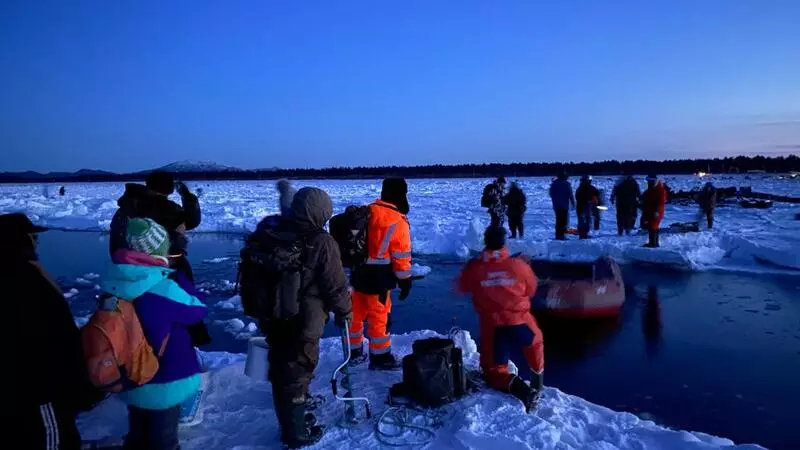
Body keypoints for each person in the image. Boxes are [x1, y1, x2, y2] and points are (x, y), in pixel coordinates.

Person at [252, 187, 352, 448]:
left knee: (282, 364)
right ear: (319, 213)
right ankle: (296, 433)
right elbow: (335, 285)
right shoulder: (321, 241)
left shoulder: (274, 231)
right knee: (297, 368)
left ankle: (296, 406)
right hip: (304, 319)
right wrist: (345, 311)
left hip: (274, 316)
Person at [103, 218, 208, 450]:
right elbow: (198, 310)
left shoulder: (113, 281)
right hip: (164, 378)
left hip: (130, 376)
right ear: (159, 250)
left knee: (138, 432)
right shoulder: (165, 287)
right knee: (163, 439)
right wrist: (180, 278)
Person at [3, 213, 101, 450]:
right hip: (39, 390)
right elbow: (56, 336)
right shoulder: (24, 279)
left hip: (23, 388)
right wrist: (78, 384)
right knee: (54, 440)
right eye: (33, 236)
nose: (37, 241)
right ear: (20, 240)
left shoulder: (16, 272)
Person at [457, 226, 544, 413]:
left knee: (495, 372)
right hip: (521, 323)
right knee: (535, 344)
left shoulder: (475, 268)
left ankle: (524, 391)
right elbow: (532, 289)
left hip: (494, 328)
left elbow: (461, 287)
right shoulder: (519, 266)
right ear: (504, 243)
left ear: (485, 242)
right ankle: (538, 382)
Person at [349, 178, 413, 370]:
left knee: (355, 315)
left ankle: (354, 352)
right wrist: (405, 281)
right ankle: (380, 357)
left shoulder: (366, 212)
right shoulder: (397, 221)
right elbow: (401, 258)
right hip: (379, 280)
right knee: (379, 318)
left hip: (357, 274)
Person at [109, 170, 201, 281]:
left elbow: (116, 245)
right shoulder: (170, 210)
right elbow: (192, 221)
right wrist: (188, 197)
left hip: (129, 267)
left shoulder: (125, 208)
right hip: (166, 267)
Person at [641, 174, 667, 248]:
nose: (649, 183)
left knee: (653, 226)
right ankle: (652, 242)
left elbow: (661, 202)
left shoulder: (660, 190)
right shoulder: (651, 189)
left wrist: (657, 211)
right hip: (650, 211)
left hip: (656, 212)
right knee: (650, 227)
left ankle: (654, 243)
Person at [549, 171, 576, 240]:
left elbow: (551, 194)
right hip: (564, 206)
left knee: (558, 221)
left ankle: (558, 235)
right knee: (563, 221)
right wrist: (573, 203)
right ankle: (562, 235)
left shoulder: (554, 184)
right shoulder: (567, 184)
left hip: (556, 205)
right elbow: (570, 194)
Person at [575, 175, 600, 239]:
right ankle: (583, 233)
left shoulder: (580, 188)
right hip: (584, 206)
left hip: (583, 206)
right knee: (586, 219)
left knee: (584, 219)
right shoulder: (589, 188)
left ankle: (583, 233)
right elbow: (577, 197)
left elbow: (576, 196)